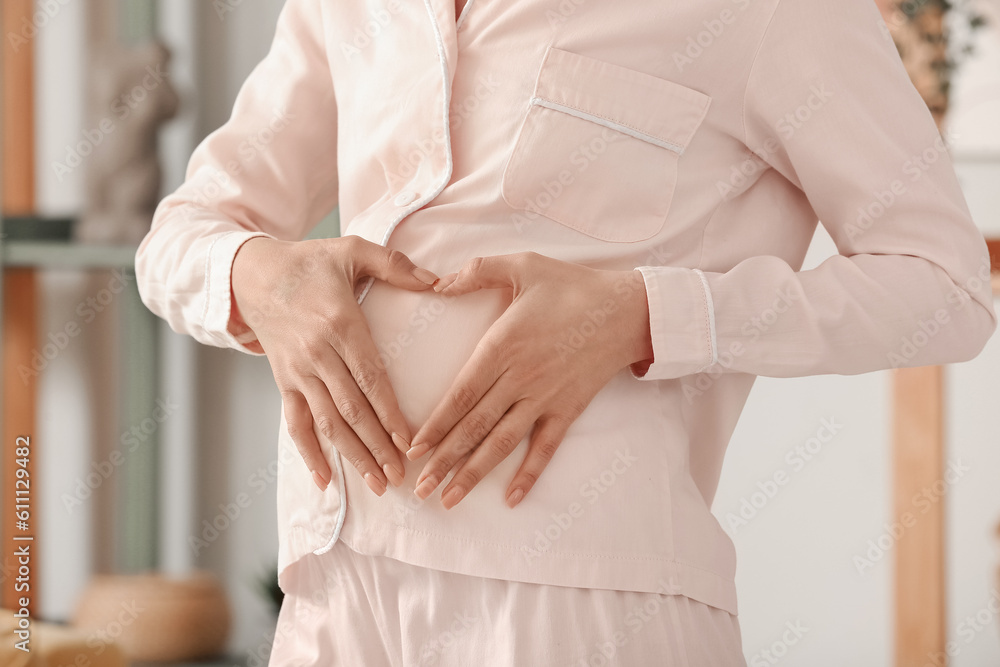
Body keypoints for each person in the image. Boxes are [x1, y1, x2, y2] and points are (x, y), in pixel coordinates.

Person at [135, 0, 997, 663]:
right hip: (334, 590)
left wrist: (647, 313)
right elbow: (180, 236)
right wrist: (258, 275)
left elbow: (947, 285)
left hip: (583, 606)